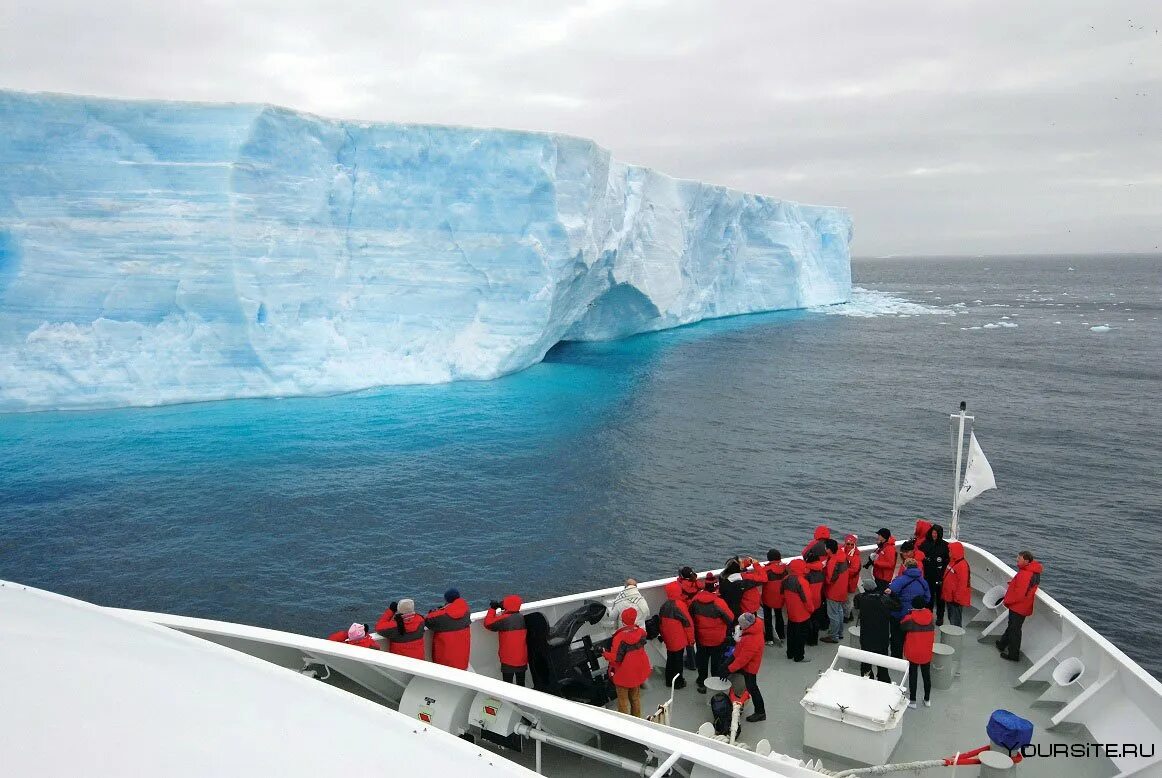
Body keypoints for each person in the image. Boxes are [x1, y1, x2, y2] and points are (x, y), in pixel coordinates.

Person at [603, 607, 652, 717]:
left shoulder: (619, 637)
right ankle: (637, 719)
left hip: (623, 675)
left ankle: (625, 723)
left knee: (623, 702)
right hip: (637, 672)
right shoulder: (641, 633)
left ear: (622, 620)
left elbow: (616, 658)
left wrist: (604, 653)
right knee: (635, 699)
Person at [689, 574, 734, 692]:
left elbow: (690, 616)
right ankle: (714, 683)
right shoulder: (719, 602)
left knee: (702, 661)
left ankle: (701, 681)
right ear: (715, 587)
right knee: (716, 662)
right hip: (717, 639)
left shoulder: (695, 600)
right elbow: (730, 618)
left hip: (701, 638)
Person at [996, 551, 1043, 661]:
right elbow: (1025, 588)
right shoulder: (1030, 572)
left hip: (1018, 606)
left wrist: (1007, 601)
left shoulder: (1026, 574)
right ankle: (1002, 644)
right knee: (1012, 626)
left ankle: (1013, 655)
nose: (1017, 559)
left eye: (1019, 558)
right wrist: (1013, 583)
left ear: (1026, 561)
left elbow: (1020, 594)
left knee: (1015, 630)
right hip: (1023, 606)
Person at [720, 612, 766, 722]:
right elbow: (740, 649)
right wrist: (728, 662)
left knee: (752, 687)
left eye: (741, 624)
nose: (739, 626)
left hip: (750, 667)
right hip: (749, 663)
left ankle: (760, 712)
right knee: (751, 686)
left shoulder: (752, 639)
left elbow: (743, 659)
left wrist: (728, 669)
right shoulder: (752, 629)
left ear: (746, 625)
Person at [885, 560, 931, 658]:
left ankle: (896, 658)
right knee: (911, 637)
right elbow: (927, 598)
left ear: (906, 567)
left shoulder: (901, 580)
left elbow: (890, 592)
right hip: (915, 615)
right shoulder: (923, 582)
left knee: (897, 637)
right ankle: (910, 656)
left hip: (900, 614)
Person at [484, 595, 529, 685]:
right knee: (521, 683)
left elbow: (488, 624)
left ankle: (508, 699)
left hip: (508, 659)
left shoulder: (504, 619)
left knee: (507, 685)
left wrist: (493, 609)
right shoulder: (522, 617)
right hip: (522, 658)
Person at [901, 595, 936, 709]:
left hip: (913, 651)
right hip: (926, 651)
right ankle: (927, 699)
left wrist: (909, 614)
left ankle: (913, 700)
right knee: (926, 676)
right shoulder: (931, 617)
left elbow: (902, 627)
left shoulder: (910, 618)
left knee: (913, 676)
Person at [658, 582, 695, 689]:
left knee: (670, 660)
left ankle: (669, 681)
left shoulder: (664, 606)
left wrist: (665, 638)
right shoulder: (680, 605)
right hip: (678, 640)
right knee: (678, 663)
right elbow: (688, 624)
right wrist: (691, 639)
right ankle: (678, 683)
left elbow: (661, 624)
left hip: (669, 639)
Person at [426, 588, 471, 670]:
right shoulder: (466, 611)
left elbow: (428, 621)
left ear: (446, 599)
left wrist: (437, 611)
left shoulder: (441, 616)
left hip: (445, 663)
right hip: (462, 661)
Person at [852, 590, 892, 681]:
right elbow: (897, 606)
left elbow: (856, 604)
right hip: (882, 639)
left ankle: (867, 680)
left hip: (867, 640)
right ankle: (884, 680)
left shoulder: (862, 600)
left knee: (866, 664)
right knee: (882, 664)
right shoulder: (885, 601)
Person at [782, 558, 814, 662]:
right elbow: (807, 599)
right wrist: (811, 610)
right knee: (801, 636)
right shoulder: (802, 581)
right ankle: (798, 657)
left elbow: (782, 595)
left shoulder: (785, 579)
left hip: (791, 613)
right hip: (802, 614)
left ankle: (790, 653)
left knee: (791, 634)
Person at [919, 524, 950, 623]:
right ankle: (928, 615)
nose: (934, 535)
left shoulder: (945, 545)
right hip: (928, 575)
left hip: (940, 575)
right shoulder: (925, 544)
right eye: (933, 532)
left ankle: (940, 617)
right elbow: (920, 555)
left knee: (940, 598)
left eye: (936, 533)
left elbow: (947, 560)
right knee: (929, 596)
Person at [822, 538, 849, 643]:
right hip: (842, 590)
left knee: (833, 615)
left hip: (834, 592)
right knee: (839, 611)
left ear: (828, 550)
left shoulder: (833, 561)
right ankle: (840, 633)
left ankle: (833, 636)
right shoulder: (842, 557)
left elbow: (830, 579)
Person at [941, 541, 972, 628]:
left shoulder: (962, 566)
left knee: (955, 622)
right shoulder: (953, 562)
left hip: (955, 600)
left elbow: (963, 585)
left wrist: (957, 599)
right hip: (950, 597)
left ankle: (955, 637)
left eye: (950, 550)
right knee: (951, 618)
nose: (949, 552)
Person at [761, 549, 787, 646]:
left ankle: (769, 639)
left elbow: (761, 580)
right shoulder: (784, 568)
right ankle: (781, 635)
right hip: (780, 597)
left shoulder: (766, 570)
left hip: (768, 598)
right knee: (779, 615)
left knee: (767, 617)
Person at [868, 528, 897, 593]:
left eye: (879, 535)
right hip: (879, 575)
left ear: (883, 536)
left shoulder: (889, 548)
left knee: (881, 594)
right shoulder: (883, 546)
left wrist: (876, 563)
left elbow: (890, 564)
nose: (877, 536)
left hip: (883, 577)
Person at [843, 534, 862, 622]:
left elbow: (854, 570)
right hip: (845, 581)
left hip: (851, 581)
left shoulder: (855, 557)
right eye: (848, 544)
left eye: (851, 544)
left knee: (848, 600)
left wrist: (842, 571)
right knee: (844, 599)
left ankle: (846, 617)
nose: (849, 546)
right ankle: (848, 615)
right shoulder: (843, 550)